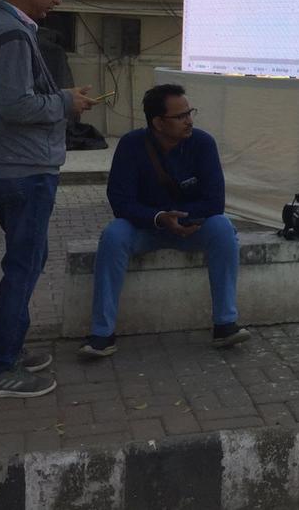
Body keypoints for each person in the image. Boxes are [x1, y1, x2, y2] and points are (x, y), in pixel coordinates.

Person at [0, 0, 96, 399]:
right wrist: (66, 104)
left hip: (11, 165)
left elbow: (17, 94)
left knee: (28, 259)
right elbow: (17, 106)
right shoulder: (11, 34)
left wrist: (61, 95)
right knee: (24, 264)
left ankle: (6, 348)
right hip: (24, 167)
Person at [80, 83, 246, 357]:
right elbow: (120, 201)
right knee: (113, 234)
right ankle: (102, 333)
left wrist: (185, 219)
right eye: (180, 116)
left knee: (223, 228)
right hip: (145, 227)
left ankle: (225, 324)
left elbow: (215, 201)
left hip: (191, 227)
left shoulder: (203, 143)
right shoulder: (131, 145)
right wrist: (159, 218)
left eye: (190, 113)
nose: (189, 120)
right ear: (157, 122)